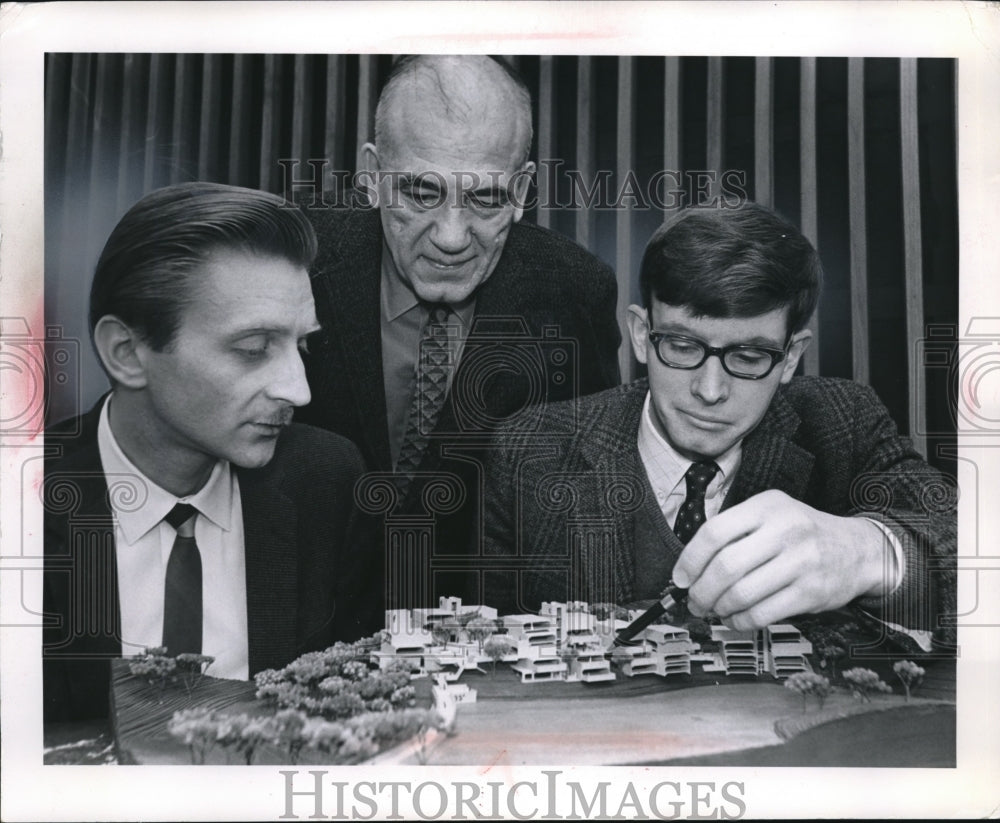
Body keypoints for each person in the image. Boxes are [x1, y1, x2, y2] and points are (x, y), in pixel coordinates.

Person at [483, 203, 956, 647]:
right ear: (642, 336)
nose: (710, 390)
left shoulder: (842, 422)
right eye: (684, 347)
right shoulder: (527, 450)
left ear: (790, 357)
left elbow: (973, 548)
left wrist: (872, 555)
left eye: (749, 356)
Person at [43, 182, 381, 723]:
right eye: (253, 349)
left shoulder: (328, 483)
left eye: (303, 346)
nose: (299, 391)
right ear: (127, 353)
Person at [299, 55, 621, 604]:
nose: (451, 237)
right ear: (373, 176)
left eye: (485, 198)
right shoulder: (296, 261)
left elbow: (584, 502)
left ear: (521, 191)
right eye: (422, 194)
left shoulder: (574, 293)